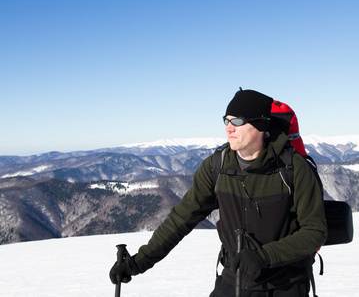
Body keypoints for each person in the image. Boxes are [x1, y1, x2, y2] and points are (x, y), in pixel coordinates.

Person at [110, 89, 327, 296]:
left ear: (261, 126)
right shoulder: (217, 167)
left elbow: (315, 231)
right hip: (235, 279)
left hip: (286, 284)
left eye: (238, 121)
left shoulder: (294, 169)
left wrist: (264, 256)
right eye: (227, 120)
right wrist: (139, 262)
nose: (229, 128)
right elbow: (181, 219)